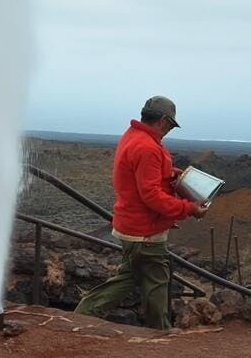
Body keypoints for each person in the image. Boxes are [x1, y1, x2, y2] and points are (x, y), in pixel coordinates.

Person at [75, 96, 209, 329]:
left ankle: (82, 314)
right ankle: (162, 332)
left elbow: (142, 177)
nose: (169, 131)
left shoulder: (133, 136)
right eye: (170, 125)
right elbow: (152, 196)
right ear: (164, 120)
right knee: (157, 281)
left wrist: (168, 173)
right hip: (145, 232)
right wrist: (189, 208)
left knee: (129, 277)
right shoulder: (148, 147)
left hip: (132, 226)